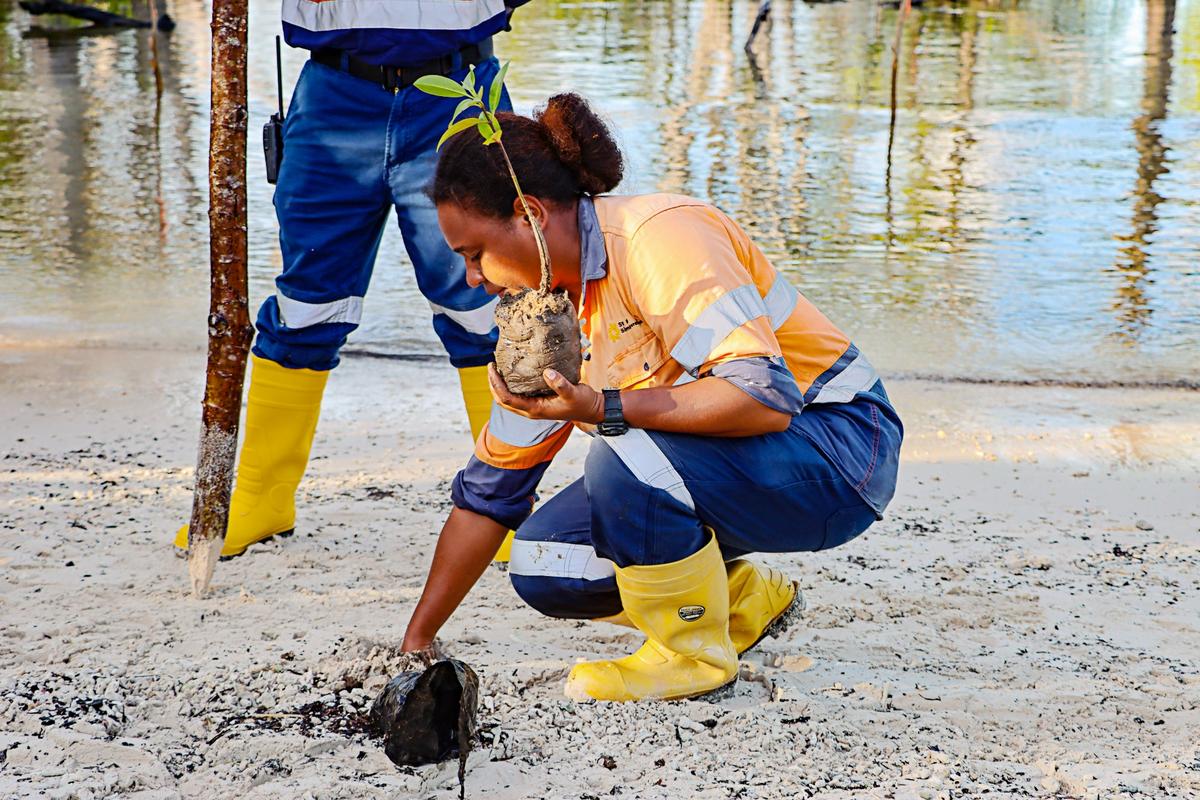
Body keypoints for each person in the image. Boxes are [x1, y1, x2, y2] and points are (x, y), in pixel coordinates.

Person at [400, 93, 903, 702]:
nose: (472, 280)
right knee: (543, 563)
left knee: (619, 453)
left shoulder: (658, 237)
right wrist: (418, 640)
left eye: (474, 254)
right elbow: (489, 495)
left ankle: (690, 655)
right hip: (733, 465)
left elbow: (765, 397)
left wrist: (603, 408)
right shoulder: (546, 319)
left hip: (840, 450)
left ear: (528, 213)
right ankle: (743, 601)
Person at [175, 0, 529, 559]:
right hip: (332, 93)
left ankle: (505, 503)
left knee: (486, 304)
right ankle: (262, 498)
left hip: (458, 93)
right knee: (304, 306)